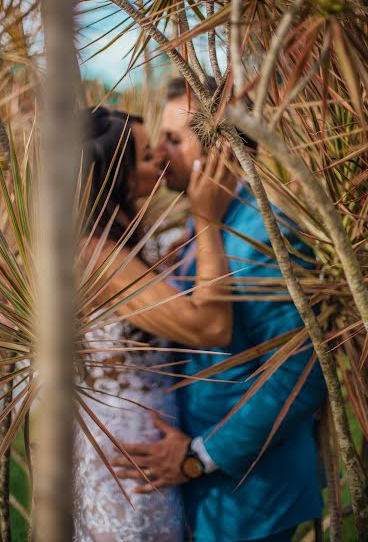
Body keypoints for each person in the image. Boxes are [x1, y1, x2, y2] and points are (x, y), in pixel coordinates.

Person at [112, 78, 328, 542]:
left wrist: (199, 456)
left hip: (249, 499)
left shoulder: (265, 235)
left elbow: (302, 375)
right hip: (201, 495)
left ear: (222, 150)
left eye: (174, 139)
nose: (160, 153)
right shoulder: (200, 222)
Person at [73, 106, 237, 542]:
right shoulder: (97, 258)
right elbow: (209, 327)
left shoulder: (121, 241)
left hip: (149, 445)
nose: (161, 157)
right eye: (147, 155)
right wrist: (207, 221)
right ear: (115, 172)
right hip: (130, 461)